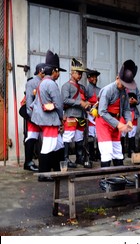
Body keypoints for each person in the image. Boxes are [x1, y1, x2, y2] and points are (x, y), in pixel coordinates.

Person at [30, 50, 66, 181]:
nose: (59, 74)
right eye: (58, 71)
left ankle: (58, 170)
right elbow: (59, 104)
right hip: (50, 119)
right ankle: (43, 175)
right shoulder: (51, 83)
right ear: (54, 70)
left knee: (59, 144)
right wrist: (61, 118)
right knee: (48, 146)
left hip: (45, 118)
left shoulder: (42, 82)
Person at [96, 60, 135, 167]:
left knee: (118, 150)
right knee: (107, 151)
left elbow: (126, 109)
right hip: (104, 123)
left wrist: (129, 121)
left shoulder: (124, 92)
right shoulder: (107, 90)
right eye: (123, 84)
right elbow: (102, 112)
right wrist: (118, 124)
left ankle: (120, 176)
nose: (124, 87)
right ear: (117, 78)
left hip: (116, 123)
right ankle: (104, 179)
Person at [61, 59, 91, 168]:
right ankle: (65, 159)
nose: (80, 75)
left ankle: (80, 158)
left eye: (81, 73)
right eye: (78, 73)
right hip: (71, 115)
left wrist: (87, 104)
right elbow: (64, 100)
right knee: (68, 137)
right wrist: (80, 102)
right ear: (72, 73)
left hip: (81, 116)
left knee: (79, 137)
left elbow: (84, 100)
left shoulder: (82, 88)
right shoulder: (66, 86)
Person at [22, 63, 46, 171]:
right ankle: (28, 162)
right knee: (31, 137)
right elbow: (29, 101)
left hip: (43, 116)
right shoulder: (32, 82)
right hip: (33, 115)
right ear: (41, 71)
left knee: (42, 139)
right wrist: (32, 117)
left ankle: (43, 162)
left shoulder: (44, 82)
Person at [85, 69, 101, 162]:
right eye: (93, 77)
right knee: (91, 136)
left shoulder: (100, 90)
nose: (95, 78)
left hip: (98, 115)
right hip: (90, 115)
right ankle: (91, 155)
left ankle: (98, 155)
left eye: (96, 77)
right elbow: (84, 102)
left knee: (99, 135)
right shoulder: (86, 89)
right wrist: (88, 110)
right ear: (88, 78)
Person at [123, 87, 140, 158]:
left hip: (133, 112)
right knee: (122, 133)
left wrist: (135, 101)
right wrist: (126, 101)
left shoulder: (135, 88)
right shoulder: (120, 87)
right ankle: (121, 152)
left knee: (132, 133)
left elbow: (139, 100)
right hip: (123, 113)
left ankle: (131, 152)